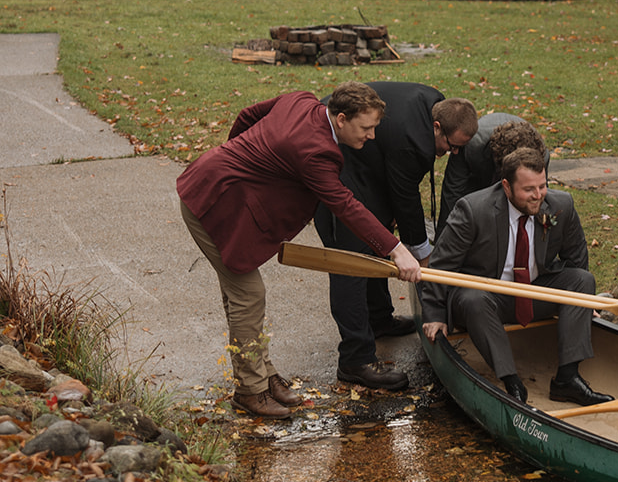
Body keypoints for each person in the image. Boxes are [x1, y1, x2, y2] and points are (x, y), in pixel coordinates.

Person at [177, 83, 421, 419]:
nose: (373, 136)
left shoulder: (301, 100)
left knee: (241, 297)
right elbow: (345, 206)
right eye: (366, 128)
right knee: (248, 295)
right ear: (340, 119)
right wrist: (397, 250)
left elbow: (247, 115)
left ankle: (261, 373)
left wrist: (234, 157)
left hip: (221, 189)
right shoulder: (316, 152)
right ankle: (250, 391)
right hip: (209, 202)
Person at [314, 83, 477, 391]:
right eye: (450, 146)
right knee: (350, 260)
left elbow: (395, 187)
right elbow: (405, 197)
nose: (449, 154)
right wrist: (421, 254)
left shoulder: (438, 105)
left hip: (366, 161)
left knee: (377, 235)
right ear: (437, 127)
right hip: (338, 158)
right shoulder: (412, 141)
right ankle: (355, 359)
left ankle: (378, 319)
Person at [422, 148, 612, 408]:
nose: (538, 196)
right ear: (506, 187)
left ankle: (567, 379)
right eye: (529, 189)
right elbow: (441, 266)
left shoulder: (561, 206)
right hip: (483, 299)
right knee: (474, 298)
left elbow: (576, 255)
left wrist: (580, 304)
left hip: (533, 292)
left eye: (542, 186)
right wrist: (433, 314)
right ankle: (511, 382)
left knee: (582, 280)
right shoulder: (472, 210)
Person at [437, 114, 549, 233]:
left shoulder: (541, 157)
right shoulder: (470, 147)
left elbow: (539, 201)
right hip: (478, 174)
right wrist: (443, 241)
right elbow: (452, 193)